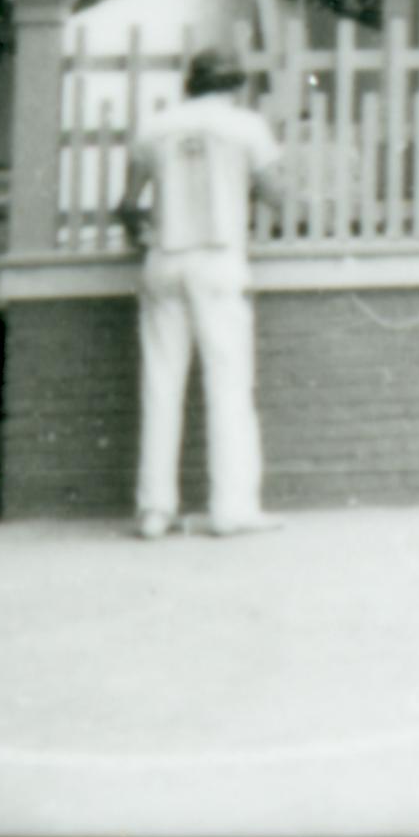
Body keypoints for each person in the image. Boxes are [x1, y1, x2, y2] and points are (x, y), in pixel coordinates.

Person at [119, 49, 290, 540]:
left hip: (164, 261)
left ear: (190, 85)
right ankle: (230, 508)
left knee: (161, 387)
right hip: (217, 261)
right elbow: (276, 194)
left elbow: (129, 206)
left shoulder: (155, 128)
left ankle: (155, 510)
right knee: (229, 387)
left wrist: (147, 234)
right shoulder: (245, 126)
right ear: (235, 86)